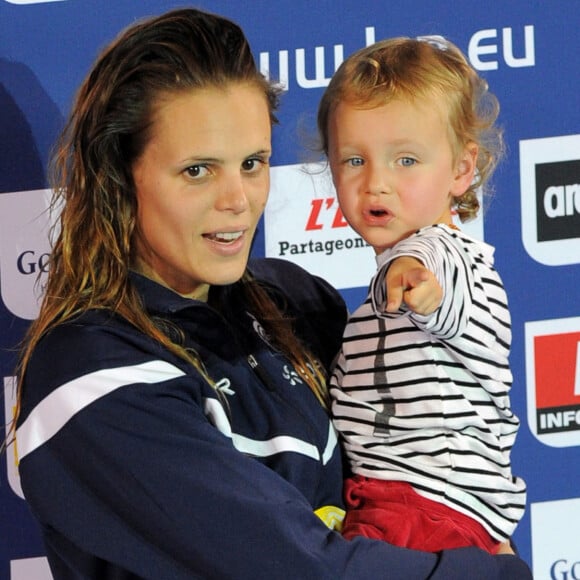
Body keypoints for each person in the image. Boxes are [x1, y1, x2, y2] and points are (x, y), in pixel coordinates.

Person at [11, 9, 532, 578]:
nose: (238, 199)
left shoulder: (294, 300)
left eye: (253, 163)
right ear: (120, 176)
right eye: (197, 171)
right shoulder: (93, 373)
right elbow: (301, 569)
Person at [317, 35, 527, 554]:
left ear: (461, 169)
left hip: (430, 510)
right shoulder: (372, 302)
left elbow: (437, 269)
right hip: (398, 506)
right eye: (354, 161)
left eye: (406, 160)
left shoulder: (453, 258)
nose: (376, 183)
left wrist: (417, 278)